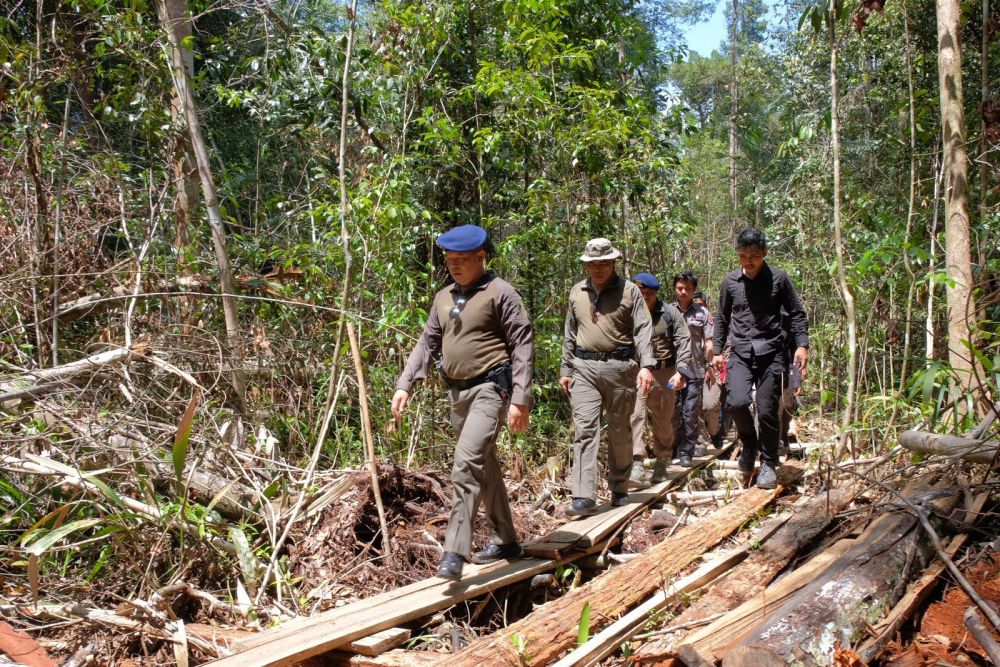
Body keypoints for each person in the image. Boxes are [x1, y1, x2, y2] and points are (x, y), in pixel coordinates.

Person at [391, 225, 533, 581]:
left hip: (490, 390)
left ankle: (455, 551)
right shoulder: (443, 298)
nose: (454, 266)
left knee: (466, 463)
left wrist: (520, 398)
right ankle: (506, 540)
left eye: (461, 260)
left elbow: (522, 346)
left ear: (481, 256)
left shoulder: (501, 294)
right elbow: (427, 343)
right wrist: (405, 383)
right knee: (483, 464)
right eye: (449, 260)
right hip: (458, 394)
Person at [560, 238, 656, 517]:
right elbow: (569, 332)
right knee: (585, 429)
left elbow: (643, 329)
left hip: (620, 368)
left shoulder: (630, 292)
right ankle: (583, 496)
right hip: (584, 368)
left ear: (613, 262)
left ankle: (619, 486)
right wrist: (566, 369)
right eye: (592, 264)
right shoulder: (577, 292)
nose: (598, 269)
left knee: (619, 430)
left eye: (603, 263)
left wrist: (647, 366)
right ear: (586, 265)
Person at [711, 228, 809, 489]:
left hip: (771, 354)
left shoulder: (779, 279)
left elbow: (797, 313)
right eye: (743, 256)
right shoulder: (730, 282)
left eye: (754, 255)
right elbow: (721, 317)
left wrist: (802, 346)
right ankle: (748, 442)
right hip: (741, 352)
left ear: (764, 252)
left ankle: (768, 461)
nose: (748, 261)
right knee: (737, 401)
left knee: (767, 411)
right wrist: (718, 351)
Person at [627, 273, 691, 488]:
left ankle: (662, 459)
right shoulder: (627, 312)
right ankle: (637, 462)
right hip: (636, 371)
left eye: (649, 293)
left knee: (663, 420)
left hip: (664, 373)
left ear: (656, 293)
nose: (645, 296)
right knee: (635, 415)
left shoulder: (670, 314)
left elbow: (684, 341)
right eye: (641, 292)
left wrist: (681, 371)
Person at [671, 271, 714, 467]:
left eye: (687, 289)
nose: (683, 292)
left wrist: (710, 365)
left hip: (695, 370)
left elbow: (709, 342)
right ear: (674, 289)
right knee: (671, 412)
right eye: (680, 288)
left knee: (690, 413)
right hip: (671, 371)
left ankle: (686, 451)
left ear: (693, 290)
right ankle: (670, 448)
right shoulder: (667, 311)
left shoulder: (702, 314)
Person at [694, 291, 724, 448]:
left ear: (706, 305)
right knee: (694, 407)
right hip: (691, 369)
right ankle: (701, 440)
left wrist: (711, 365)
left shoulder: (715, 322)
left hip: (712, 369)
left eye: (700, 305)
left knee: (709, 405)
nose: (698, 308)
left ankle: (714, 432)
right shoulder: (684, 320)